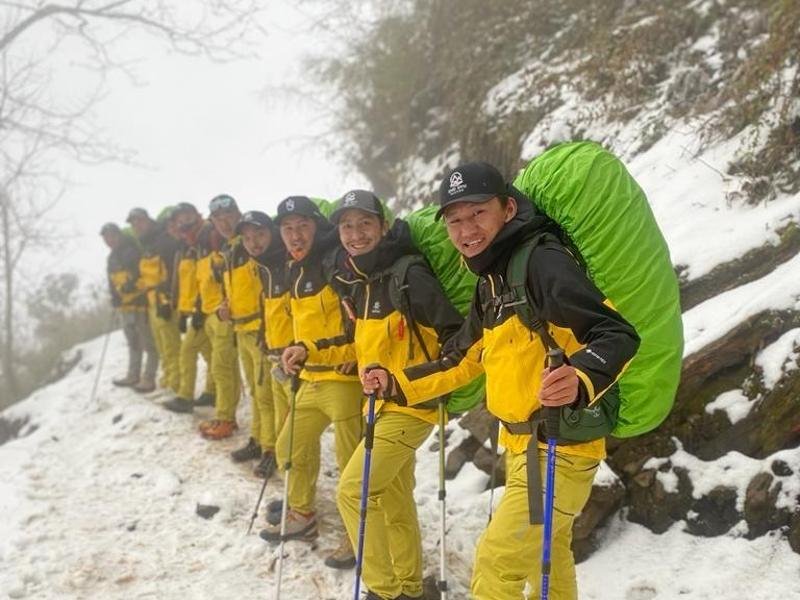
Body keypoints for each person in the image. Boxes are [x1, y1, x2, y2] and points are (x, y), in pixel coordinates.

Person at [361, 163, 640, 600]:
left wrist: (582, 376)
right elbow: (462, 357)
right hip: (521, 449)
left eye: (478, 214)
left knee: (497, 566)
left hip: (558, 449)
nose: (466, 229)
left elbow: (615, 334)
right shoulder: (491, 280)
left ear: (508, 208)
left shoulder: (541, 262)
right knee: (549, 558)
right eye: (455, 220)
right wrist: (394, 382)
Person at [282, 190, 464, 596]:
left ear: (383, 226)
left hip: (412, 406)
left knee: (353, 492)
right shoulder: (359, 282)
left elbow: (457, 339)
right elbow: (357, 345)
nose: (355, 233)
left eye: (365, 223)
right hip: (378, 407)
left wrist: (410, 380)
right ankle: (410, 588)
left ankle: (383, 590)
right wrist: (307, 349)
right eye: (347, 225)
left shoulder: (409, 275)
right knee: (394, 502)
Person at [259, 196, 363, 571]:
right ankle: (302, 515)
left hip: (343, 379)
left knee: (351, 465)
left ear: (317, 226)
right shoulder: (293, 269)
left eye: (302, 226)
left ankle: (358, 536)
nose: (295, 235)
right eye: (287, 229)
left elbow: (360, 324)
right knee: (288, 447)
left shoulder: (337, 263)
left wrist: (353, 352)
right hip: (309, 379)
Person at [224, 210, 280, 477]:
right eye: (247, 237)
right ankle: (258, 440)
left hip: (260, 330)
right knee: (256, 392)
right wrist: (226, 306)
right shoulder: (233, 253)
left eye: (259, 234)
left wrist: (266, 330)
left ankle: (272, 449)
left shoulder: (267, 260)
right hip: (241, 328)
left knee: (266, 394)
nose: (254, 241)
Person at [195, 194, 242, 440]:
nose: (224, 222)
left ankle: (225, 418)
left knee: (222, 367)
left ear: (238, 213)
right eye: (218, 219)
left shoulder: (245, 240)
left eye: (228, 216)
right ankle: (226, 417)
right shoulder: (227, 245)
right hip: (220, 313)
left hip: (236, 317)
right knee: (225, 368)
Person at [162, 203, 216, 413]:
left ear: (195, 215)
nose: (180, 223)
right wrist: (182, 309)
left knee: (188, 351)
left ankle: (185, 396)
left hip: (204, 308)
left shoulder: (205, 238)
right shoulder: (185, 245)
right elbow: (185, 283)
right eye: (177, 220)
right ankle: (213, 391)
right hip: (194, 309)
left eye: (185, 216)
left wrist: (197, 308)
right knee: (209, 353)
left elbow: (204, 281)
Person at [126, 207, 181, 394]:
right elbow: (148, 275)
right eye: (133, 223)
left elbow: (174, 271)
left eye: (139, 221)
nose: (137, 226)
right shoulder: (146, 244)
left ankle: (177, 385)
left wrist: (169, 298)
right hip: (151, 300)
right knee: (161, 345)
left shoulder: (163, 241)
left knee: (170, 345)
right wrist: (135, 285)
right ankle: (168, 381)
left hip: (163, 300)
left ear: (148, 220)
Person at [101, 222, 159, 391]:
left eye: (111, 236)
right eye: (106, 238)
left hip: (140, 303)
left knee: (148, 343)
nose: (109, 240)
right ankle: (133, 375)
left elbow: (144, 274)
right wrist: (114, 298)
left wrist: (134, 286)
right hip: (124, 307)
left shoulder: (133, 250)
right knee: (133, 342)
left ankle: (149, 378)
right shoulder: (111, 258)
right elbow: (112, 281)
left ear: (118, 235)